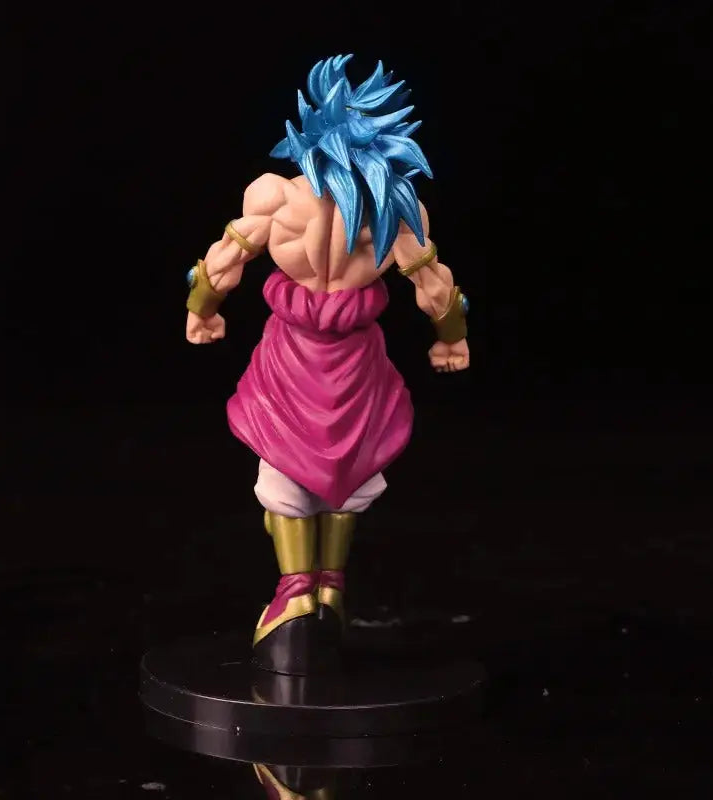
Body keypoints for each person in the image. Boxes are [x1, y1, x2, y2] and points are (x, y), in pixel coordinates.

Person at [184, 55, 470, 674]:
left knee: (292, 473)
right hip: (344, 360)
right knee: (345, 466)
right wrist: (451, 341)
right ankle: (328, 586)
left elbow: (221, 263)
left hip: (299, 358)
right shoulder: (394, 208)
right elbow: (438, 290)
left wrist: (201, 310)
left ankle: (298, 592)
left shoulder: (279, 197)